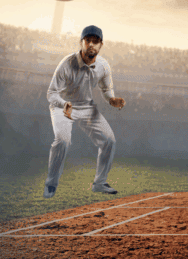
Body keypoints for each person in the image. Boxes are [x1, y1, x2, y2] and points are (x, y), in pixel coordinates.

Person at [43, 25, 126, 198]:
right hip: (63, 107)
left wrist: (112, 99)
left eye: (95, 42)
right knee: (63, 141)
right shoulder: (67, 63)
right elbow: (51, 93)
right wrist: (63, 104)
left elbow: (106, 88)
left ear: (101, 45)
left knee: (109, 140)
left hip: (87, 107)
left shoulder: (103, 65)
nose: (91, 45)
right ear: (81, 42)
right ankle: (51, 185)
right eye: (88, 40)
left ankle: (99, 183)